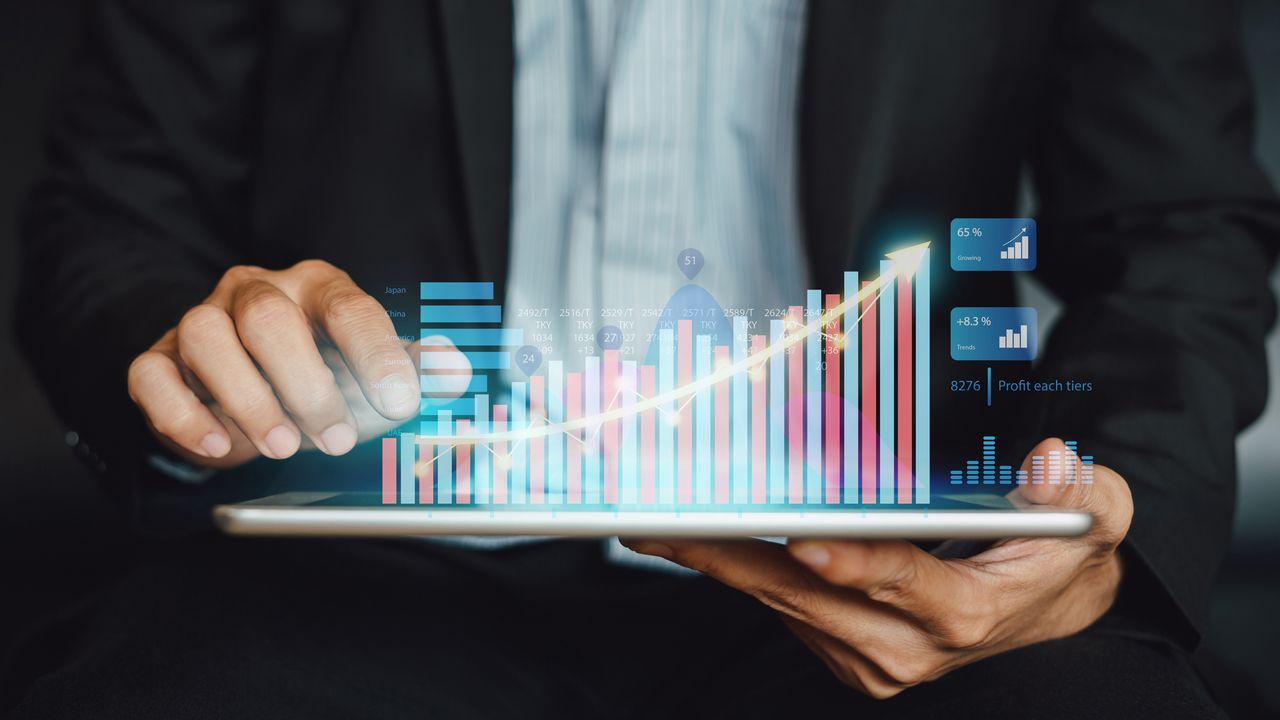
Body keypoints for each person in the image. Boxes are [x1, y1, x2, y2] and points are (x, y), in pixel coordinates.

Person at [9, 1, 1279, 717]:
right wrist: (199, 355)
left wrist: (1096, 547)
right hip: (360, 565)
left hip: (893, 575)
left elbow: (1176, 231)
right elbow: (117, 213)